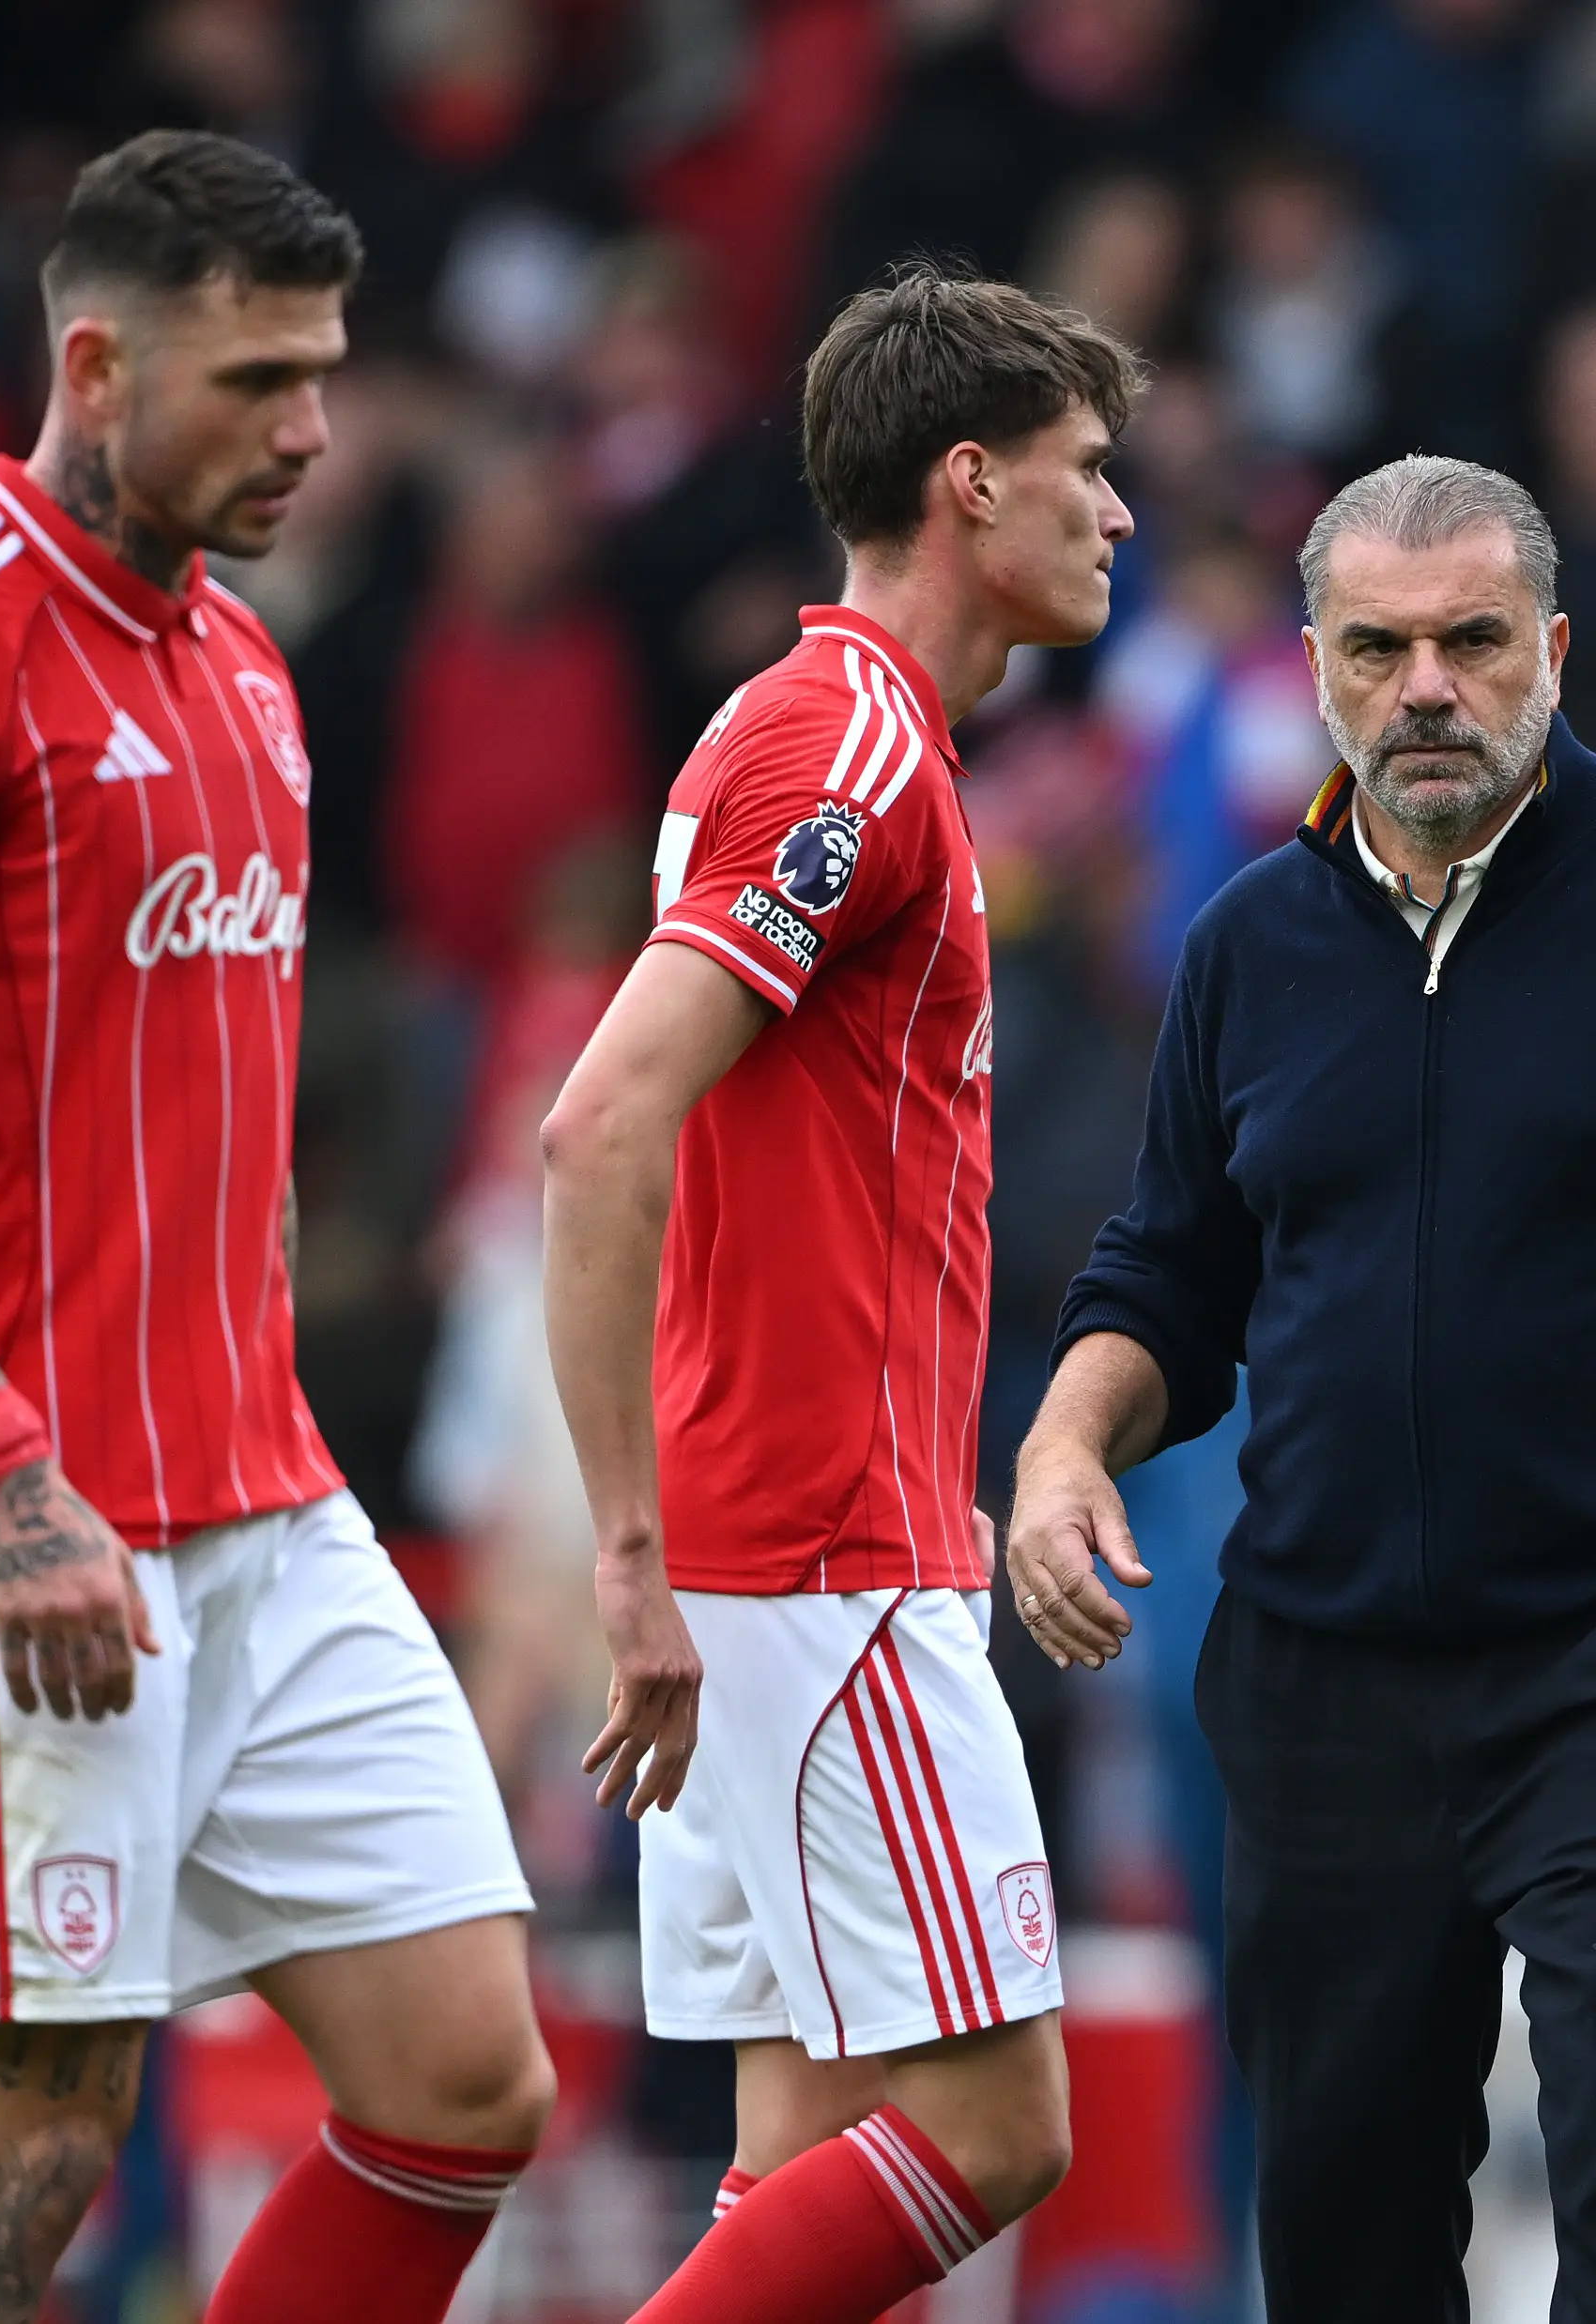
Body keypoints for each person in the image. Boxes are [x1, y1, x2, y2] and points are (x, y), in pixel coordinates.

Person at [1005, 453, 1596, 2323]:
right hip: (1320, 1671)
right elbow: (1167, 1275)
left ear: (1552, 646)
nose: (1425, 686)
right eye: (1376, 647)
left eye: (1469, 640)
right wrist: (1062, 1446)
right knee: (1344, 2219)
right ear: (1310, 666)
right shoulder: (1243, 945)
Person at [0, 131, 555, 2324]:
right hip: (3, 1532)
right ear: (93, 365)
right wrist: (7, 1467)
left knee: (467, 2075)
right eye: (257, 380)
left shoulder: (247, 666)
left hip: (263, 1505)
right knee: (16, 2172)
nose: (312, 428)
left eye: (327, 374)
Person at [539, 263, 1138, 2324]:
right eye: (1082, 469)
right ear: (969, 482)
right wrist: (627, 1547)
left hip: (787, 1532)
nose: (1118, 513)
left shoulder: (817, 720)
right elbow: (598, 1127)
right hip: (807, 1543)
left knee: (797, 2164)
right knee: (999, 2127)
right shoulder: (849, 750)